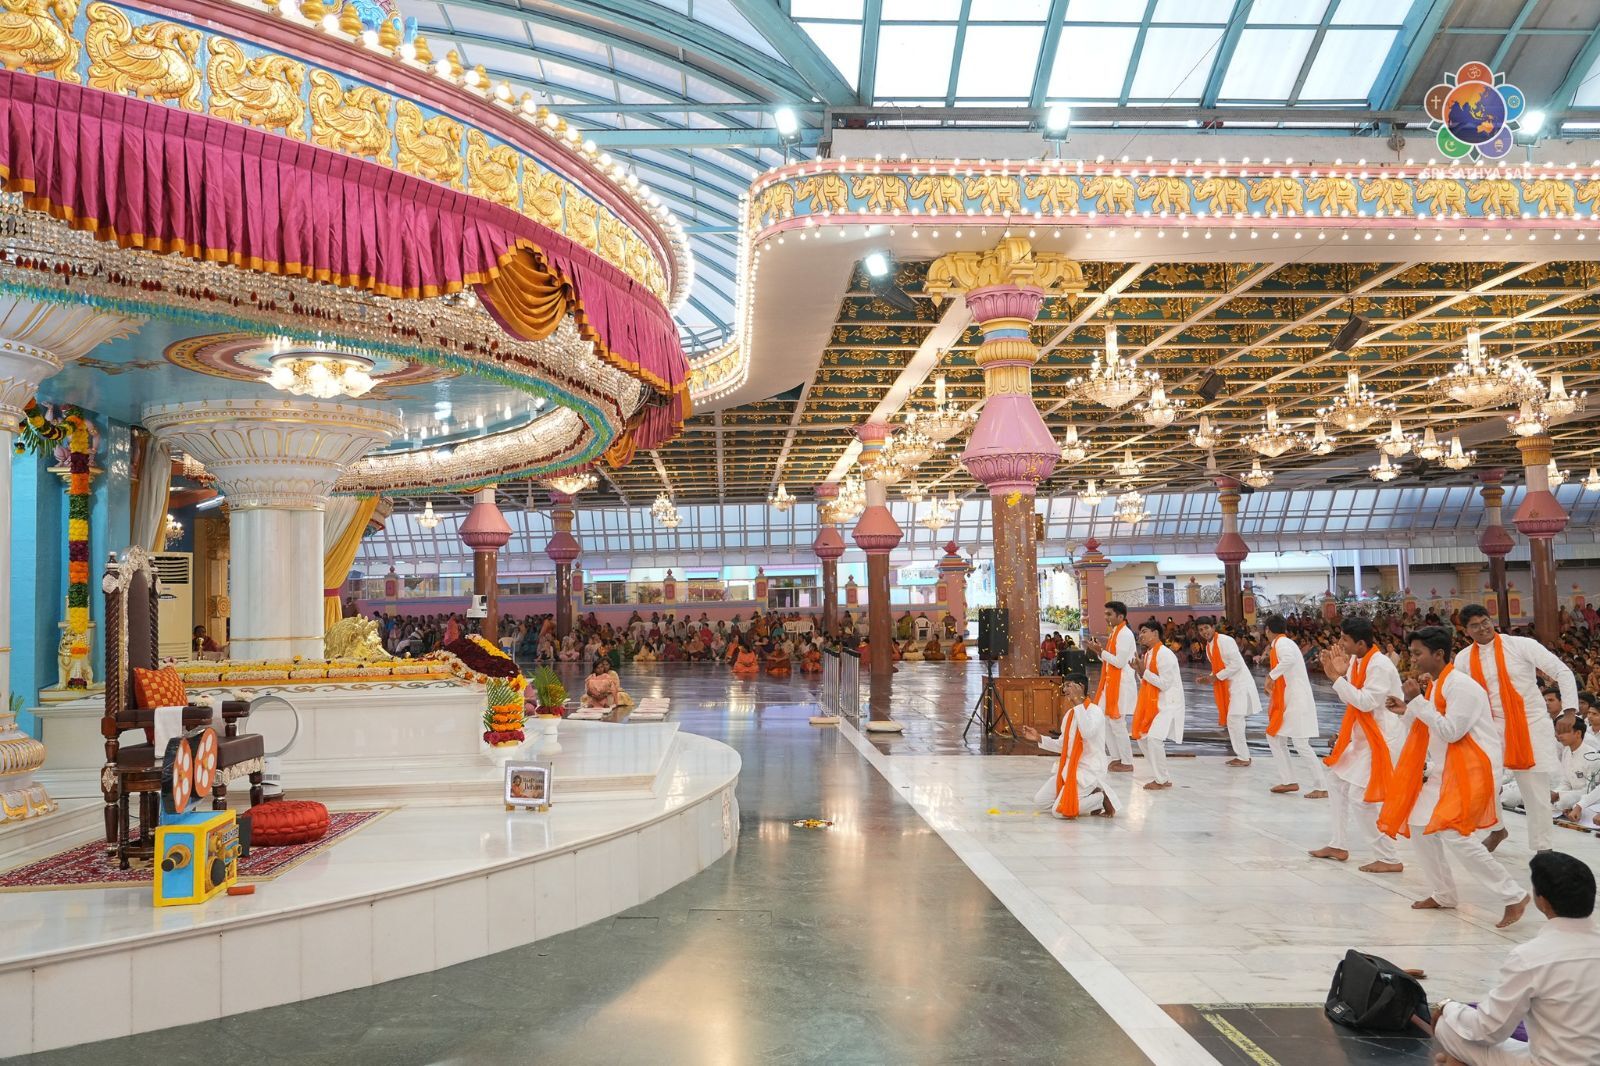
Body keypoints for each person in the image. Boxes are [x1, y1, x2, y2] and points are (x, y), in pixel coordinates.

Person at [1379, 627, 1529, 928]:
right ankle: (1444, 893)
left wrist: (1416, 701)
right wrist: (1407, 709)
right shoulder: (1437, 684)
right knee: (1419, 825)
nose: (1413, 659)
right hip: (1447, 768)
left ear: (1438, 654)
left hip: (1473, 769)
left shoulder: (1461, 687)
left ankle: (1513, 895)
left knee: (1453, 832)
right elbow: (1431, 723)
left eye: (1418, 653)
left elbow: (1451, 731)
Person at [1431, 851, 1600, 1065]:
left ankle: (1458, 1059)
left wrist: (1448, 1006)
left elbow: (1488, 1030)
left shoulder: (1531, 956)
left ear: (1542, 901)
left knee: (1448, 1026)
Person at [1455, 603, 1579, 855]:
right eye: (1475, 626)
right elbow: (1461, 694)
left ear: (1491, 620)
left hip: (1529, 723)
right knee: (1483, 782)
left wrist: (1569, 711)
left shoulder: (1521, 645)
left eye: (1485, 621)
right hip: (1489, 726)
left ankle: (1543, 849)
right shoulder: (1463, 659)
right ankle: (1498, 829)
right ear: (1466, 631)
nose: (1482, 628)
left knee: (1535, 790)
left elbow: (1562, 671)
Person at [1312, 616, 1405, 873]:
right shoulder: (1357, 660)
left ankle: (1389, 858)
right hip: (1363, 735)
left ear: (1361, 643)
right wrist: (1343, 675)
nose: (1340, 643)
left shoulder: (1380, 666)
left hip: (1383, 738)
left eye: (1345, 639)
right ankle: (1338, 844)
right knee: (1336, 781)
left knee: (1360, 798)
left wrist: (1336, 679)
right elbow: (1351, 700)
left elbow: (1365, 702)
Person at [1017, 672, 1117, 818]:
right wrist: (1039, 738)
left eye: (1068, 685)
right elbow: (1063, 745)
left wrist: (1078, 703)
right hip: (1070, 769)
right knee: (1041, 802)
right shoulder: (1070, 714)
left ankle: (1100, 798)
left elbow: (1087, 733)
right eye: (1064, 686)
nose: (1064, 690)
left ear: (1080, 687)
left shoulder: (1095, 711)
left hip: (1089, 770)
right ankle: (1084, 797)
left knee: (1059, 812)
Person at [1261, 614, 1327, 797]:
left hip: (1297, 701)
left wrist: (1271, 676)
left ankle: (1322, 786)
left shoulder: (1282, 644)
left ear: (1267, 630)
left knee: (1300, 743)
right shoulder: (1283, 643)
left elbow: (1288, 660)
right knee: (1275, 737)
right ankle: (1288, 781)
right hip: (1291, 700)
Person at [1197, 616, 1261, 767]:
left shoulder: (1225, 641)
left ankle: (1243, 757)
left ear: (1213, 627)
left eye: (1206, 628)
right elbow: (1219, 668)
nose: (1204, 632)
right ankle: (1243, 756)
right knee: (1234, 721)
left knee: (1234, 719)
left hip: (1240, 684)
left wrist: (1214, 677)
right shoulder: (1209, 647)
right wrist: (1208, 677)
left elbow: (1236, 665)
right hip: (1229, 686)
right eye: (1201, 630)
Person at [1130, 618, 1184, 791]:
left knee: (1153, 739)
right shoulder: (1149, 654)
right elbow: (1146, 680)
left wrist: (1143, 672)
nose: (1140, 636)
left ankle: (1162, 780)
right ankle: (1161, 776)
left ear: (1155, 633)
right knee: (1142, 738)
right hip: (1154, 702)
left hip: (1169, 703)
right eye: (1140, 632)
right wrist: (1139, 671)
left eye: (1144, 632)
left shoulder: (1164, 654)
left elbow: (1165, 684)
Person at [1085, 601, 1137, 773]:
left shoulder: (1125, 634)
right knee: (1104, 720)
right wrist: (1099, 652)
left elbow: (1120, 662)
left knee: (1117, 723)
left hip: (1120, 684)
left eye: (1109, 614)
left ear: (1120, 616)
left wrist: (1101, 651)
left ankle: (1127, 761)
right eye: (1105, 614)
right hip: (1110, 683)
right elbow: (1109, 660)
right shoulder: (1116, 632)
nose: (1106, 617)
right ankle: (1116, 757)